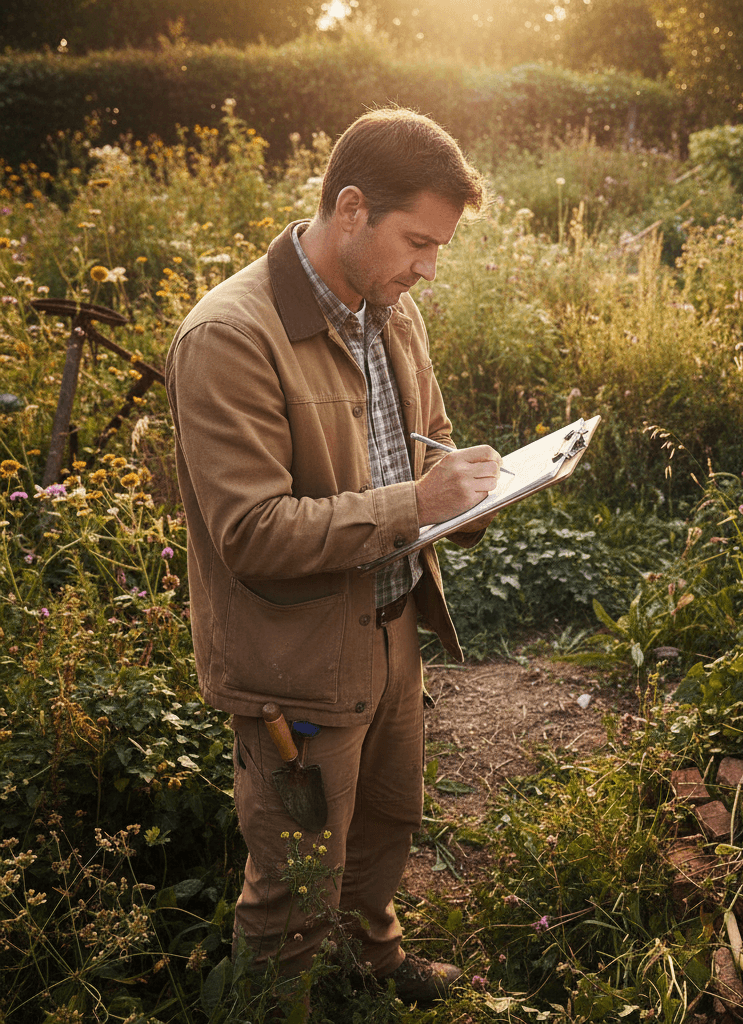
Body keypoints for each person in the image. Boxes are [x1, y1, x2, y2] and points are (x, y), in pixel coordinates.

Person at [165, 107, 501, 1006]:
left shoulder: (390, 312)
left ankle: (371, 964)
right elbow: (251, 533)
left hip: (392, 630)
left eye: (439, 248)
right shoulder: (230, 336)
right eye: (418, 243)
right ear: (351, 209)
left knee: (386, 823)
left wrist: (475, 492)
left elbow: (427, 446)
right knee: (294, 877)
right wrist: (417, 503)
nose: (429, 269)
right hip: (295, 663)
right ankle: (275, 1003)